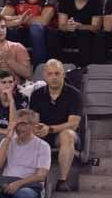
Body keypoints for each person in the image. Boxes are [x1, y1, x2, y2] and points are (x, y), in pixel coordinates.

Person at [28, 60, 82, 191]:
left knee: (67, 135)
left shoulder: (74, 94)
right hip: (44, 133)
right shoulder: (36, 95)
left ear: (63, 74)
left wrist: (50, 129)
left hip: (64, 134)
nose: (54, 77)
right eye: (50, 74)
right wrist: (38, 128)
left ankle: (62, 180)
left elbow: (73, 124)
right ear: (45, 76)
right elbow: (34, 120)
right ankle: (31, 179)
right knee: (28, 133)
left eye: (57, 73)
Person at [49, 0, 102, 69]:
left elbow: (96, 27)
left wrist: (80, 26)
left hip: (89, 35)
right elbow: (61, 25)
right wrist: (68, 27)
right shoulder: (65, 0)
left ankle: (85, 68)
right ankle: (58, 67)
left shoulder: (96, 0)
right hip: (71, 33)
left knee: (84, 34)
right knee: (54, 35)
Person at [0, 110, 49, 198]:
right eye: (16, 124)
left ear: (33, 125)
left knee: (23, 194)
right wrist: (8, 138)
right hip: (6, 183)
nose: (18, 128)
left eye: (23, 124)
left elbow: (41, 176)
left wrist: (18, 184)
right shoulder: (6, 142)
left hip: (30, 186)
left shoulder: (43, 146)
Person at [0, 0, 54, 64]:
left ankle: (39, 67)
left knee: (36, 27)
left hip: (43, 34)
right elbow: (2, 18)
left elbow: (43, 21)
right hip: (20, 31)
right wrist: (19, 20)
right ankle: (4, 66)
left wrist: (19, 20)